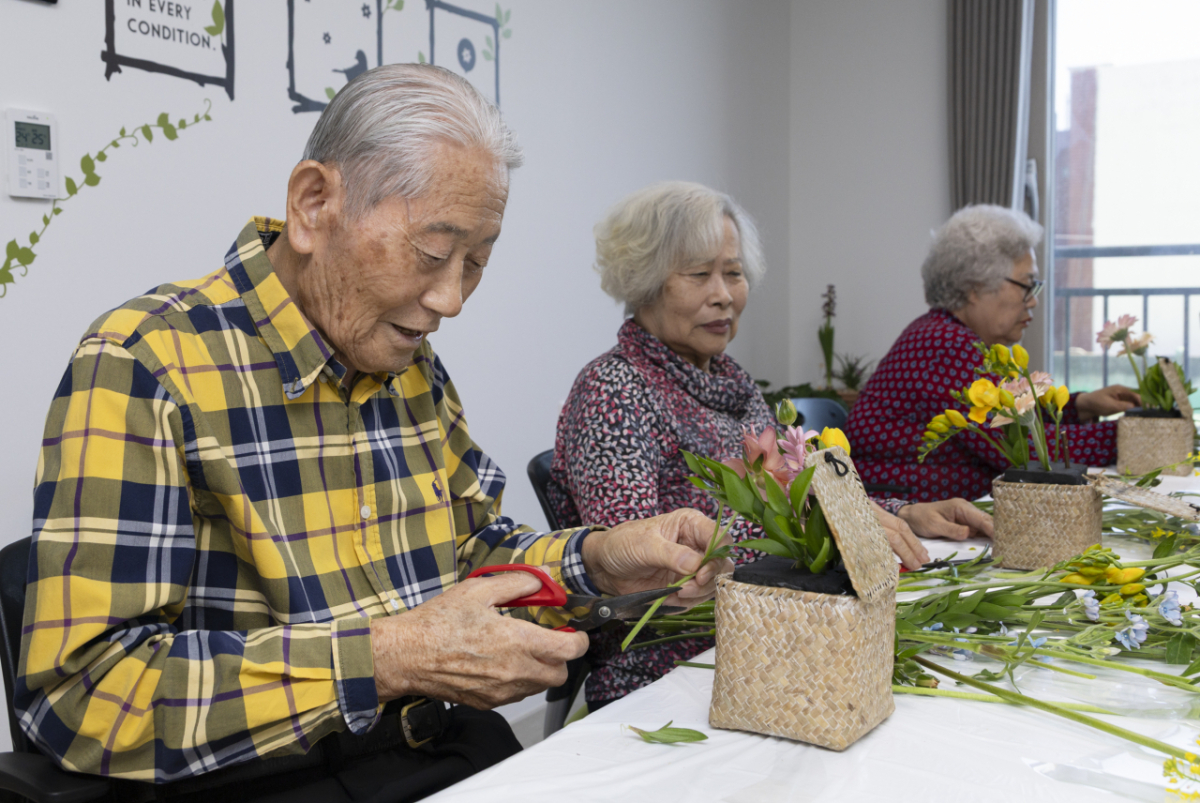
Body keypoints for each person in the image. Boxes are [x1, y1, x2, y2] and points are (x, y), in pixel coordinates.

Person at [16, 66, 728, 802]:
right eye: (430, 253)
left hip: (445, 750)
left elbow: (474, 555)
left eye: (477, 262)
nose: (450, 298)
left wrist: (604, 559)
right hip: (260, 778)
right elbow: (83, 693)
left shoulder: (412, 365)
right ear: (313, 203)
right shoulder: (147, 365)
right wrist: (389, 657)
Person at [548, 182, 993, 710]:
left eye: (733, 273)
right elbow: (640, 577)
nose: (723, 294)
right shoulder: (614, 389)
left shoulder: (730, 381)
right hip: (672, 662)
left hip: (770, 628)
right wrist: (835, 529)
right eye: (698, 274)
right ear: (644, 281)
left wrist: (902, 512)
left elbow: (793, 498)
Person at [847, 204, 1140, 503]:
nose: (1033, 302)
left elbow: (1011, 422)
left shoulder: (945, 334)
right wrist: (1138, 435)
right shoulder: (943, 344)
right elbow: (1027, 451)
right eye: (1027, 285)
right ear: (975, 287)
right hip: (905, 521)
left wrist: (1083, 405)